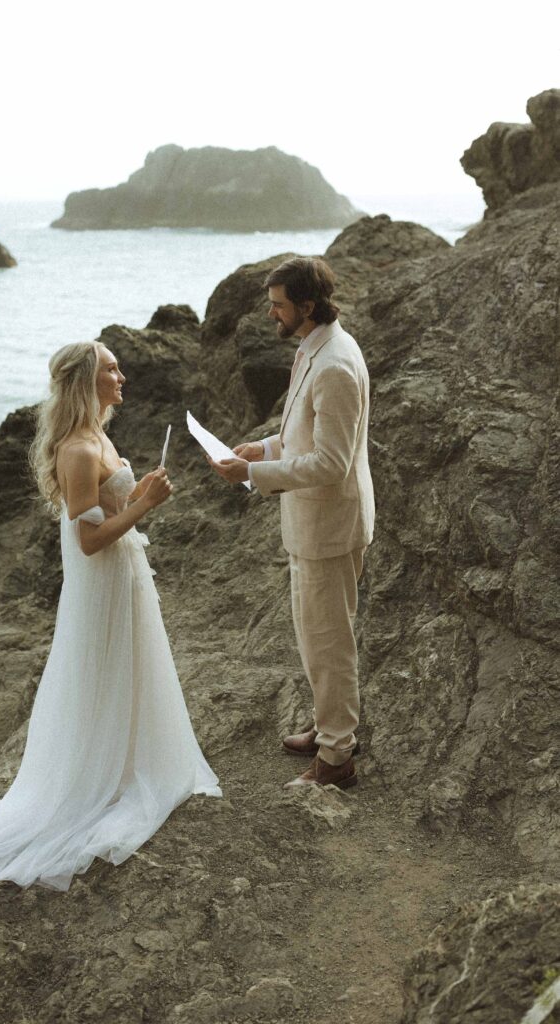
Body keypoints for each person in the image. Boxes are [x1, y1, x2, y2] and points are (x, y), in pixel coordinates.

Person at [0, 341, 221, 916]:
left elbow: (105, 514)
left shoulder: (100, 435)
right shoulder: (79, 450)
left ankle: (127, 764)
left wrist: (136, 496)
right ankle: (99, 781)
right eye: (112, 368)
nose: (123, 375)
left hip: (122, 574)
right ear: (87, 381)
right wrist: (146, 506)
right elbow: (88, 542)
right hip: (104, 578)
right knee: (103, 670)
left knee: (125, 669)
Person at [210, 256, 374, 790]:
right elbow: (307, 436)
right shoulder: (314, 348)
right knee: (316, 638)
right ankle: (332, 730)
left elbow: (332, 462)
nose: (270, 313)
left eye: (278, 304)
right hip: (313, 524)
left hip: (330, 527)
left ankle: (336, 759)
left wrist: (252, 471)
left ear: (307, 305)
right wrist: (264, 445)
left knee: (329, 643)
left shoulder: (334, 365)